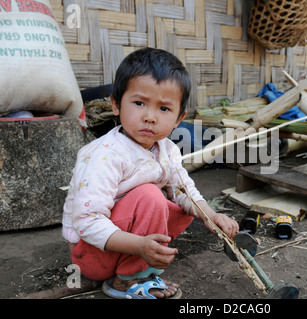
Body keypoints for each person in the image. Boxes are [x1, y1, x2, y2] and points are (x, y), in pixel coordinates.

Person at [61, 47, 239, 299]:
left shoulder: (166, 149)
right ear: (115, 103)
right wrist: (139, 246)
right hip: (90, 253)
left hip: (120, 238)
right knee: (151, 196)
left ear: (179, 118)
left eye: (164, 109)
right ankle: (128, 279)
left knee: (182, 208)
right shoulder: (105, 155)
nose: (150, 117)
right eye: (139, 103)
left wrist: (212, 216)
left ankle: (136, 265)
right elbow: (87, 222)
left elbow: (184, 190)